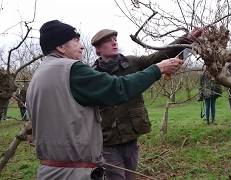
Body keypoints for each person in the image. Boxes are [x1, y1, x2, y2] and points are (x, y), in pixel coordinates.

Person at [26, 20, 183, 180]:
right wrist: (159, 69)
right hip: (75, 171)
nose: (82, 46)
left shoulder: (38, 76)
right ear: (60, 47)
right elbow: (118, 88)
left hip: (49, 171)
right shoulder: (73, 70)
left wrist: (186, 40)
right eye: (76, 41)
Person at [90, 27, 202, 180]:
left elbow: (158, 57)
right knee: (116, 177)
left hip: (131, 137)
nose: (114, 42)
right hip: (107, 141)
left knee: (131, 176)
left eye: (115, 39)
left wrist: (186, 39)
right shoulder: (92, 75)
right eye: (108, 41)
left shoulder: (132, 62)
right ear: (97, 49)